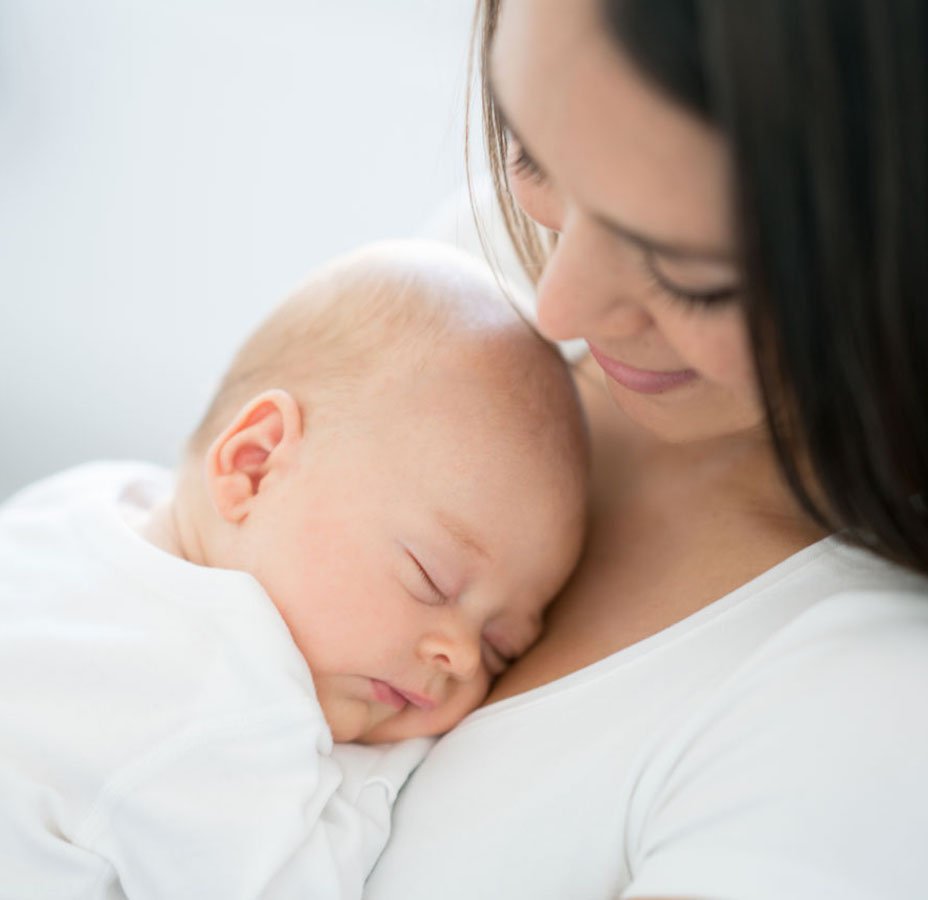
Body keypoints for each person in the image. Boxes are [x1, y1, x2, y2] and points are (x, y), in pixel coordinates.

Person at [366, 2, 928, 898]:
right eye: (533, 153)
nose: (558, 308)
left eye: (690, 275)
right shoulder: (477, 277)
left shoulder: (876, 716)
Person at [0, 240, 588, 898]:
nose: (459, 657)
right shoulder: (230, 716)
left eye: (500, 646)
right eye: (430, 579)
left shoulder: (89, 504)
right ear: (255, 466)